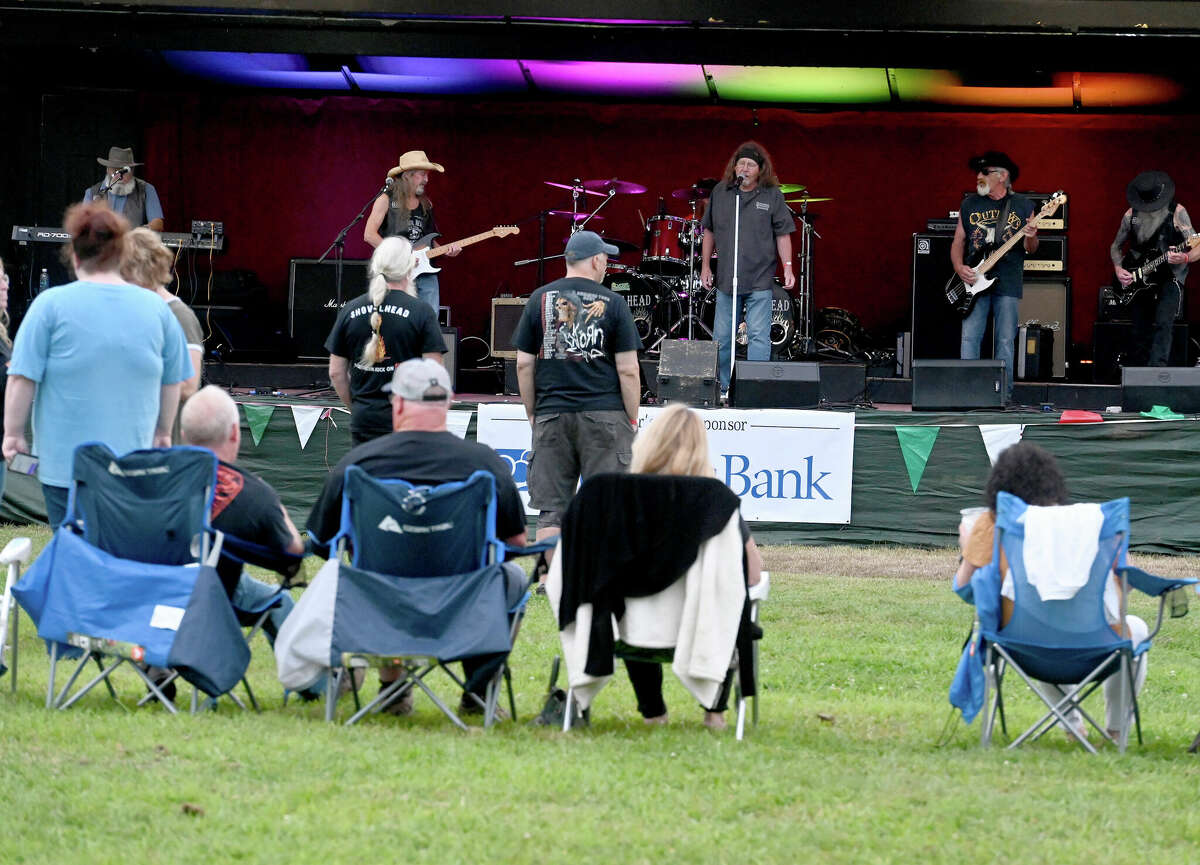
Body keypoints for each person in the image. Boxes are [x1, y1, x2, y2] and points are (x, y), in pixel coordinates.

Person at [307, 358, 528, 717]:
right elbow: (516, 545)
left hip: (378, 610)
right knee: (514, 580)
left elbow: (320, 542)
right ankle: (477, 692)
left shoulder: (357, 465)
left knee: (350, 576)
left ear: (397, 404)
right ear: (449, 402)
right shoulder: (484, 464)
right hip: (461, 615)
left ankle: (393, 689)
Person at [2, 203, 191, 527]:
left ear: (74, 257)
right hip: (133, 467)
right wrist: (162, 433)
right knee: (123, 556)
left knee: (73, 556)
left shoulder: (48, 306)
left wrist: (13, 435)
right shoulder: (159, 311)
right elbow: (174, 381)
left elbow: (21, 379)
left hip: (63, 469)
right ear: (121, 255)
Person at [952, 442, 1146, 743]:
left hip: (1021, 647)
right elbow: (1128, 582)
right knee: (1137, 629)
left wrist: (968, 547)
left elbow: (964, 589)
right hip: (1097, 647)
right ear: (1053, 481)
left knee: (1039, 622)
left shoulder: (990, 524)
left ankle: (1071, 725)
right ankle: (1116, 730)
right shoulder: (1090, 523)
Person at [624, 403, 763, 731]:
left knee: (632, 600)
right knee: (727, 600)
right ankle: (714, 713)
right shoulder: (716, 500)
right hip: (703, 629)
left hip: (632, 632)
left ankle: (653, 712)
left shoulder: (620, 496)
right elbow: (753, 574)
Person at [179, 385, 323, 700]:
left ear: (183, 433)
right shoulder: (253, 493)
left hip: (150, 595)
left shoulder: (154, 476)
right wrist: (283, 516)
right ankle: (316, 688)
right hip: (212, 598)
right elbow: (291, 557)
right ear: (235, 432)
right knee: (279, 600)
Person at [513, 230, 642, 551]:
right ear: (596, 260)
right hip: (605, 413)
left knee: (552, 510)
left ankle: (547, 577)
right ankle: (603, 575)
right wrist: (632, 417)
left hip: (552, 413)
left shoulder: (539, 299)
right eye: (605, 259)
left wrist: (532, 411)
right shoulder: (614, 303)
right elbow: (628, 368)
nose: (606, 265)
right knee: (608, 503)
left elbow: (523, 365)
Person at [325, 236, 446, 445]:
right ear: (410, 267)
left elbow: (336, 372)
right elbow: (434, 374)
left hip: (365, 418)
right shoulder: (421, 311)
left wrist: (357, 408)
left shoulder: (350, 309)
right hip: (409, 421)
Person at [699, 141, 795, 397]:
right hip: (727, 277)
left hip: (760, 277)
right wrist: (705, 265)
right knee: (722, 336)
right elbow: (708, 229)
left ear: (760, 169)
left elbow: (783, 233)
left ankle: (755, 389)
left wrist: (788, 267)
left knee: (758, 336)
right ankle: (723, 387)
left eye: (750, 164)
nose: (744, 167)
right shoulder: (721, 192)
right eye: (741, 163)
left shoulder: (771, 194)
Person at [950, 151, 1038, 403]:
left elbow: (1031, 249)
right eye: (978, 172)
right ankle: (967, 395)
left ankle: (1003, 395)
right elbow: (958, 241)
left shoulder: (1022, 205)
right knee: (969, 337)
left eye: (985, 172)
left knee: (1004, 340)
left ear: (1003, 176)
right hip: (974, 280)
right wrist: (959, 267)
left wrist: (1031, 234)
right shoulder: (969, 204)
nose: (978, 177)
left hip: (1007, 280)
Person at [1110, 170, 1200, 367]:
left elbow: (1197, 245)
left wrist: (1184, 256)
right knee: (1139, 327)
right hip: (1139, 276)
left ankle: (1157, 373)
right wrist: (1118, 268)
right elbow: (1115, 246)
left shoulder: (1177, 212)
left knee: (1163, 323)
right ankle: (1139, 373)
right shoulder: (1130, 214)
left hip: (1170, 275)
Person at [363, 150, 460, 312]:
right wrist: (400, 255)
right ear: (407, 175)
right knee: (395, 318)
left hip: (425, 271)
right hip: (396, 271)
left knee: (429, 318)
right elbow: (369, 235)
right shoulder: (385, 199)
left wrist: (448, 251)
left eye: (427, 175)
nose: (426, 180)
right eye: (422, 175)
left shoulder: (426, 204)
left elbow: (430, 240)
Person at [121, 227, 203, 401]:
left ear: (142, 272)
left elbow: (189, 387)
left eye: (125, 275)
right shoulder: (132, 310)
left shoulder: (180, 316)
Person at [82, 147, 164, 231]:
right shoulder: (93, 192)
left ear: (132, 171)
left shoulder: (146, 189)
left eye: (124, 171)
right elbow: (82, 224)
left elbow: (157, 223)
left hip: (133, 242)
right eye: (115, 170)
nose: (119, 176)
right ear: (107, 169)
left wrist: (140, 232)